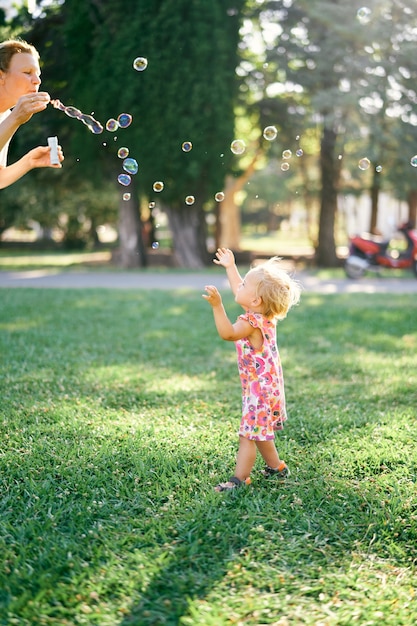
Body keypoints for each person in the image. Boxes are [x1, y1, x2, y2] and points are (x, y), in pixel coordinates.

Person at [203, 248, 301, 492]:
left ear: (255, 300)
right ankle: (277, 467)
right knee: (260, 432)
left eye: (245, 283)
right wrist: (230, 267)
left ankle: (239, 480)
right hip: (268, 388)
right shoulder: (263, 316)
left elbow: (228, 333)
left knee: (248, 434)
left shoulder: (250, 323)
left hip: (260, 391)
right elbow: (242, 291)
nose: (239, 286)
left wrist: (217, 306)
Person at [0, 38, 63, 189]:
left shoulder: (6, 116)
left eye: (38, 74)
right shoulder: (11, 118)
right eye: (27, 72)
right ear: (1, 76)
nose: (37, 81)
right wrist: (15, 119)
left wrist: (29, 161)